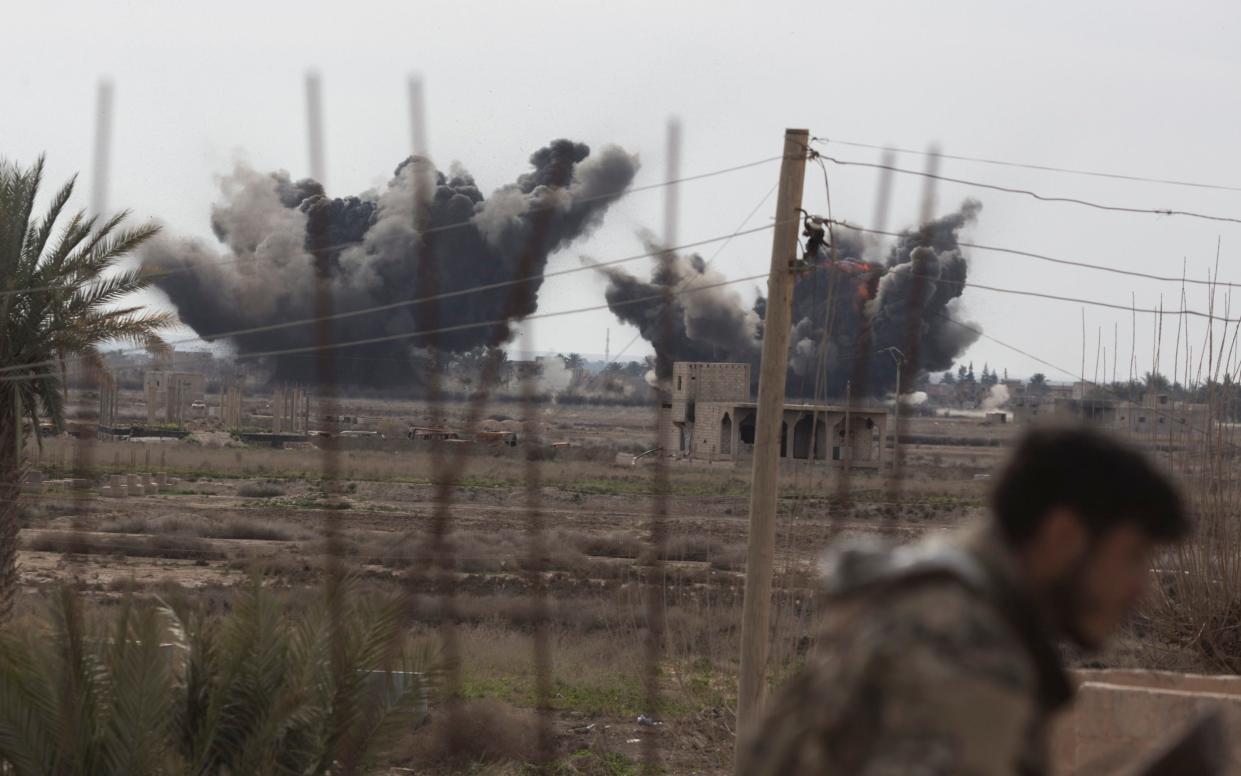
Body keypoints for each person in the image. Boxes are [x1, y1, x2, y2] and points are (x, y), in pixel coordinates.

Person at [739, 426, 1188, 776]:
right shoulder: (968, 652)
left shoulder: (929, 603)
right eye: (1132, 556)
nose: (1140, 589)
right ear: (1063, 536)